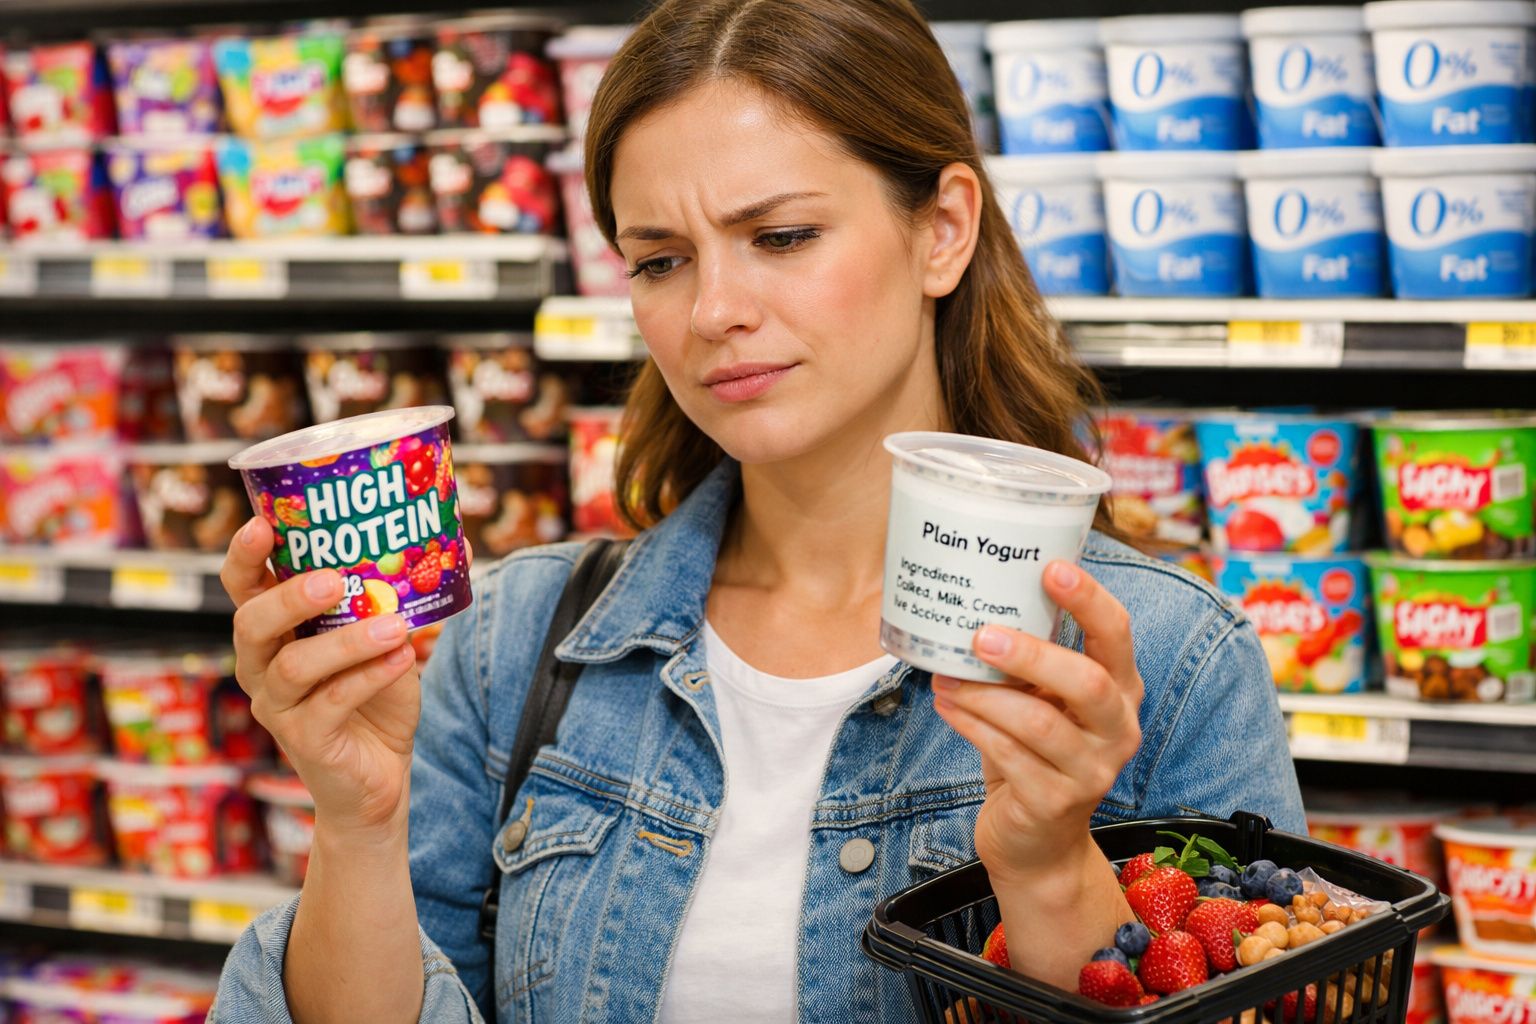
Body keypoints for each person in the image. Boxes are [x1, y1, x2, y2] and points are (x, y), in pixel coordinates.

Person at [211, 1, 1303, 1021]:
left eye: (780, 237)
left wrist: (1052, 866)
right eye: (660, 260)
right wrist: (355, 827)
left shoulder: (1170, 660)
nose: (715, 311)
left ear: (943, 230)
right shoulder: (511, 644)